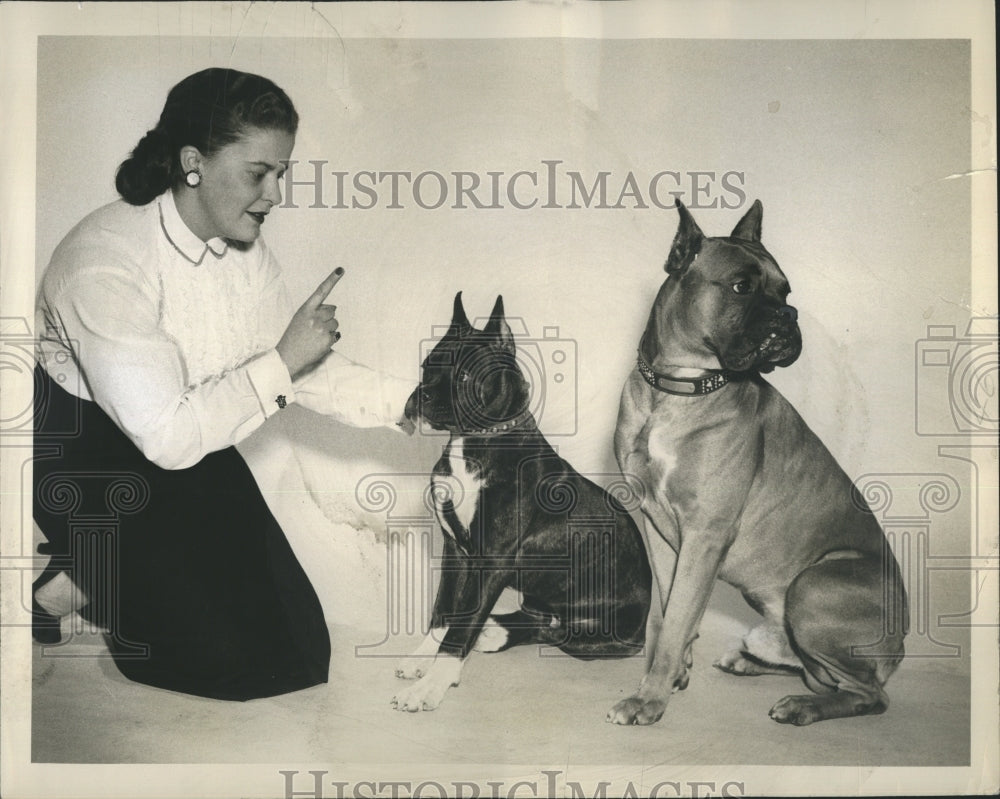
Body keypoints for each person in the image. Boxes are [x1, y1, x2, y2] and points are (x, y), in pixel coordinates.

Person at [32, 67, 414, 701]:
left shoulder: (246, 251)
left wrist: (410, 402)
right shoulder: (103, 261)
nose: (273, 194)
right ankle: (90, 566)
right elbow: (170, 437)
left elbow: (292, 367)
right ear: (193, 164)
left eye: (281, 173)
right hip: (83, 453)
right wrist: (283, 360)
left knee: (297, 650)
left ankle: (80, 576)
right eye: (257, 173)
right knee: (215, 662)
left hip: (180, 433)